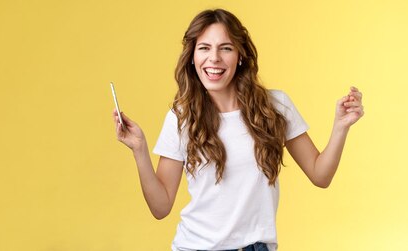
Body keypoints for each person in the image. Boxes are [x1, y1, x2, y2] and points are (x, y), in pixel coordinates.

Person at [111, 9, 364, 251]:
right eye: (204, 48)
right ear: (192, 57)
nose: (214, 59)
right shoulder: (181, 117)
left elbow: (320, 175)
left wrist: (341, 126)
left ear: (240, 55)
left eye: (226, 48)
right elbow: (161, 207)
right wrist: (140, 150)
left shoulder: (276, 106)